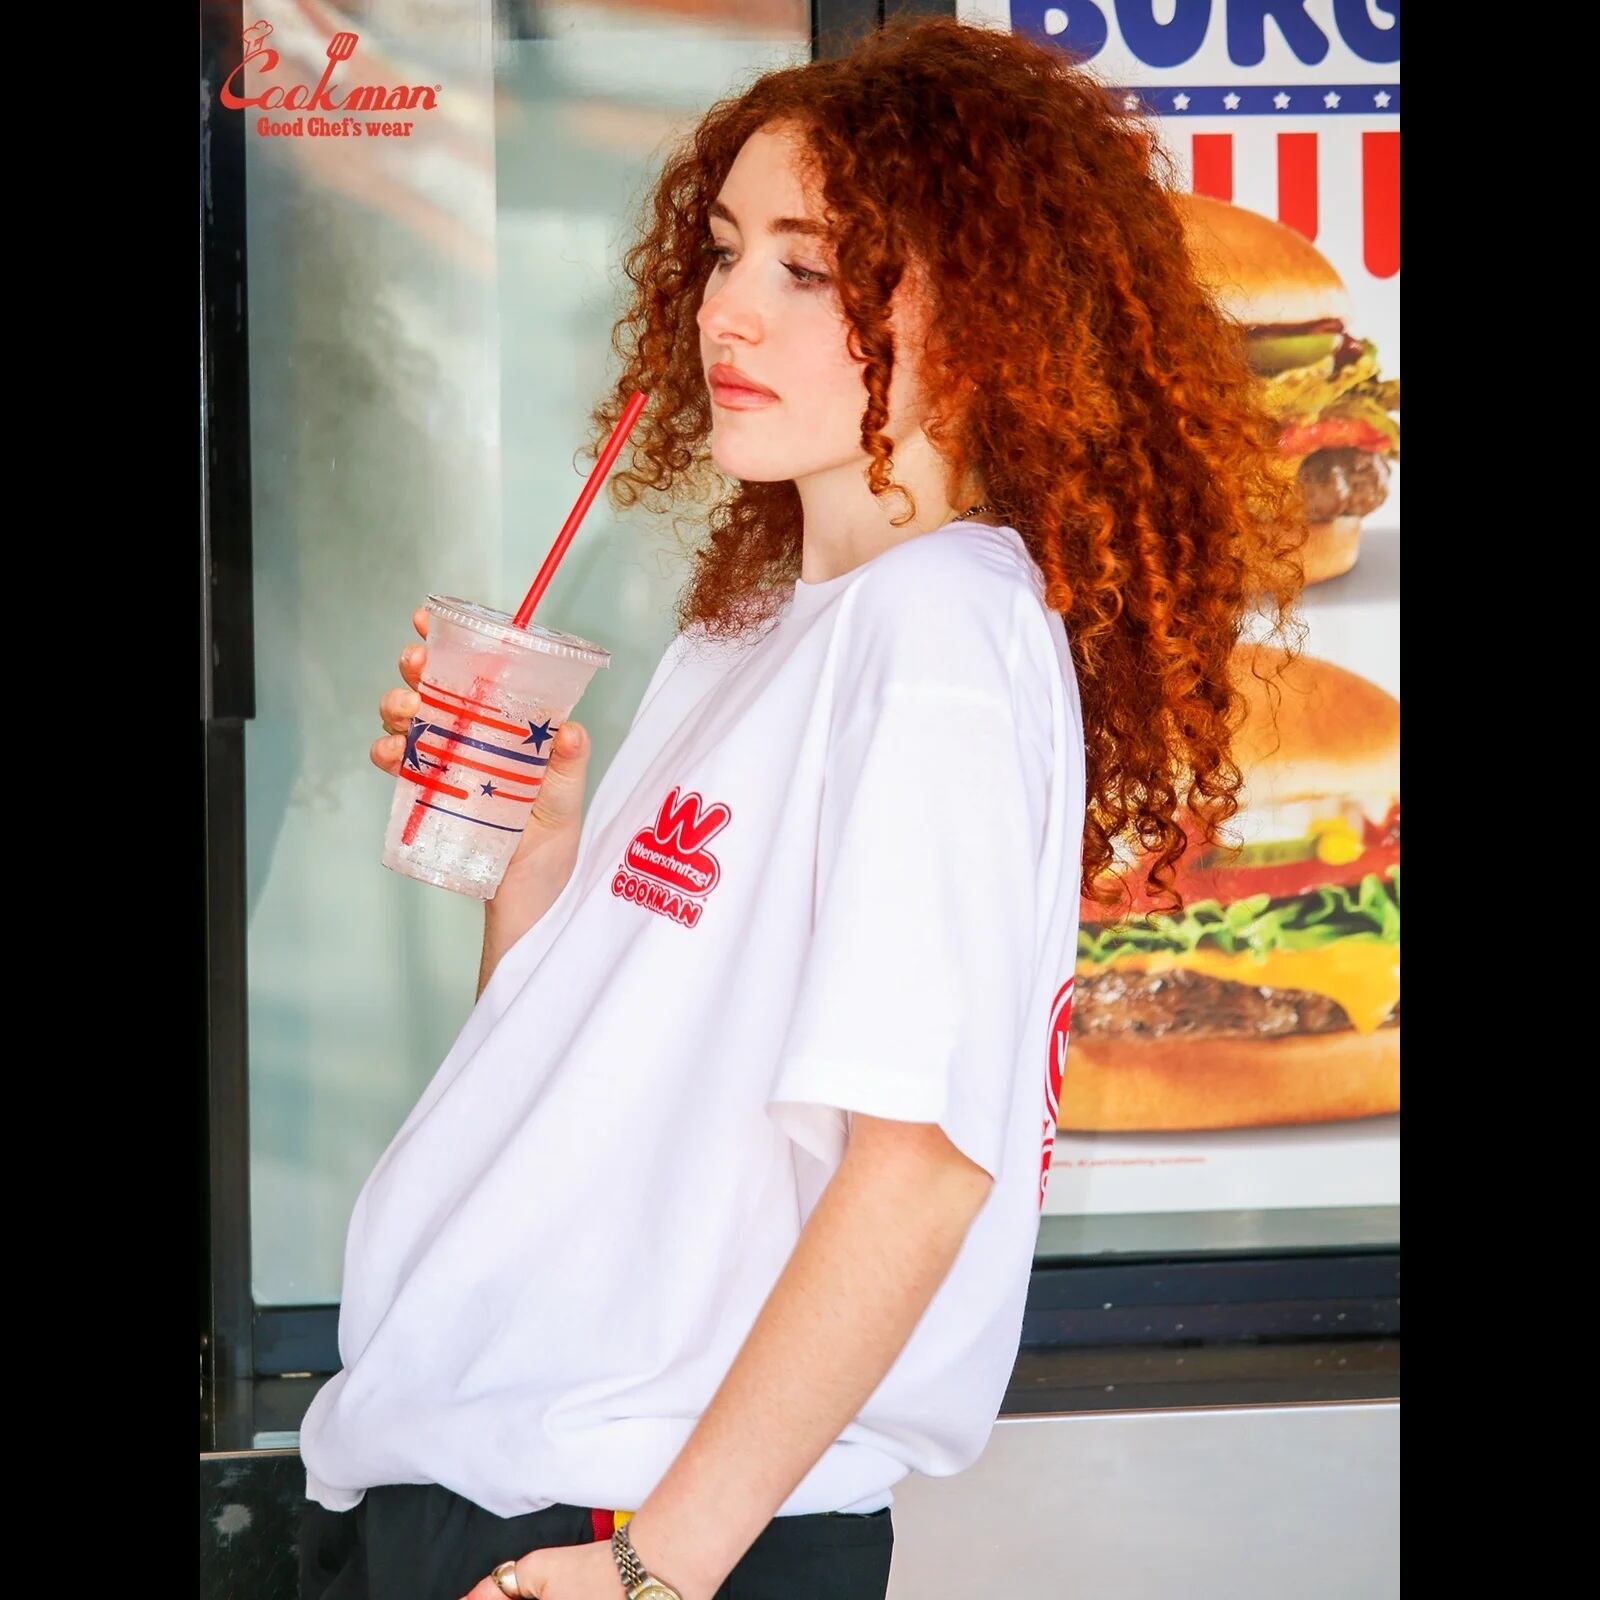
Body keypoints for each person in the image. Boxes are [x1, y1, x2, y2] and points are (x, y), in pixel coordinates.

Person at [295, 15, 1305, 1600]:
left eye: (813, 269)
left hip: (623, 1525)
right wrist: (539, 865)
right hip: (497, 1485)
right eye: (722, 252)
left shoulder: (938, 634)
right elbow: (584, 1096)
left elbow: (920, 1169)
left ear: (992, 314)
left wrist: (658, 1567)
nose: (728, 311)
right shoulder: (758, 630)